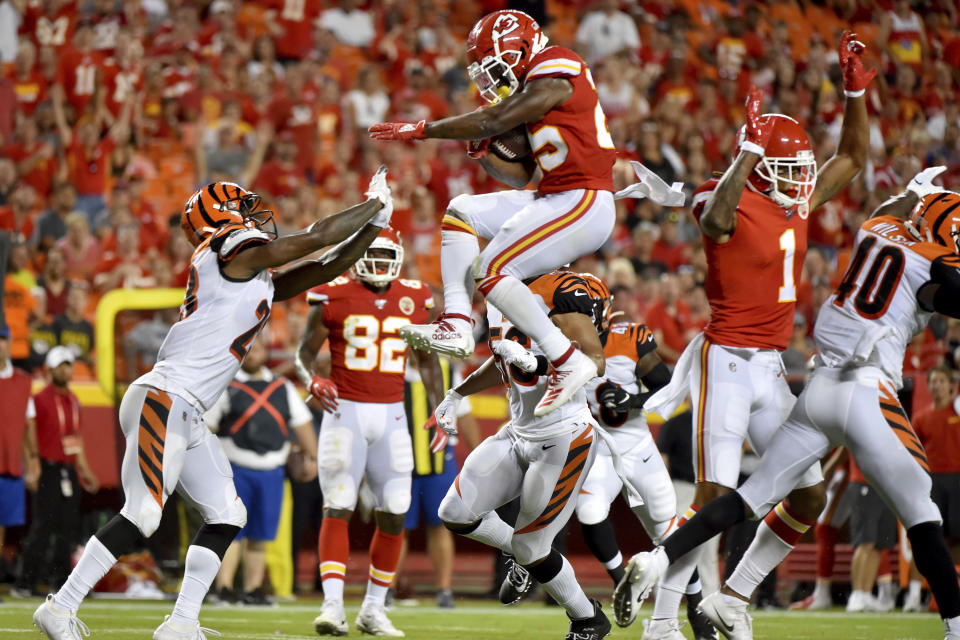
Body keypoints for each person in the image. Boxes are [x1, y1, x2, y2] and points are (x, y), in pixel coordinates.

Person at [33, 173, 394, 640]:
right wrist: (370, 205)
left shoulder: (249, 274)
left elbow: (323, 266)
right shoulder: (228, 248)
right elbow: (318, 237)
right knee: (144, 512)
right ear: (222, 219)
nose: (253, 215)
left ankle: (181, 623)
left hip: (186, 409)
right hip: (165, 397)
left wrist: (374, 227)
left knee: (228, 514)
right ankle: (59, 608)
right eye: (243, 208)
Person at [615, 172, 960, 640]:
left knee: (753, 495)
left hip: (819, 389)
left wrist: (914, 192)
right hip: (866, 392)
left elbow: (892, 211)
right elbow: (945, 285)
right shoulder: (937, 264)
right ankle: (957, 627)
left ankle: (690, 576)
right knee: (922, 511)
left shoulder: (877, 228)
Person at [613, 30, 873, 639]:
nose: (796, 180)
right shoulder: (726, 192)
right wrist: (749, 156)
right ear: (754, 165)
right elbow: (717, 216)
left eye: (797, 169)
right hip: (725, 360)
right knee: (712, 497)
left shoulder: (793, 199)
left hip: (771, 366)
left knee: (808, 495)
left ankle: (735, 595)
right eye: (782, 169)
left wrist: (855, 92)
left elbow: (854, 160)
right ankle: (661, 625)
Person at [370, 9, 618, 418]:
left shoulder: (556, 64)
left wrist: (423, 130)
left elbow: (493, 117)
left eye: (493, 66)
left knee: (493, 269)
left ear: (518, 48)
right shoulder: (533, 89)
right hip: (557, 194)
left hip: (584, 199)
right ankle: (456, 322)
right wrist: (483, 149)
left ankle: (567, 358)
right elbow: (520, 175)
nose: (492, 78)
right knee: (461, 211)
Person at [434, 271, 611, 640]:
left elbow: (594, 361)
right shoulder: (499, 291)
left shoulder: (564, 289)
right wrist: (457, 393)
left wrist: (538, 365)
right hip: (519, 431)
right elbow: (504, 363)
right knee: (455, 512)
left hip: (564, 436)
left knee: (533, 547)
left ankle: (587, 618)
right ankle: (520, 553)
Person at [296, 227, 444, 637]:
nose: (378, 264)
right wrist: (312, 379)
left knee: (396, 509)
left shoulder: (416, 297)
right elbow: (304, 352)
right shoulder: (334, 293)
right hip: (345, 412)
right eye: (371, 255)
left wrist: (440, 406)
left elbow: (427, 361)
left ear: (397, 257)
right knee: (338, 502)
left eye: (385, 256)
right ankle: (332, 606)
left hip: (393, 414)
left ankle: (374, 609)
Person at [574, 276, 717, 640]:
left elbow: (666, 387)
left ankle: (697, 610)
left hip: (637, 445)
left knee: (667, 531)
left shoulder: (631, 337)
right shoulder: (562, 345)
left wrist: (632, 401)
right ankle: (625, 585)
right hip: (598, 447)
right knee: (589, 512)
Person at [205, 332, 318, 605]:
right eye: (249, 350)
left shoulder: (283, 387)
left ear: (267, 352)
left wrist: (313, 458)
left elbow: (302, 424)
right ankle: (224, 588)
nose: (253, 354)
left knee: (261, 533)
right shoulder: (226, 385)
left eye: (258, 349)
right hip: (234, 469)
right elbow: (207, 427)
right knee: (231, 531)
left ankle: (254, 589)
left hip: (272, 471)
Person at [396, 358, 481, 609]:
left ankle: (444, 589)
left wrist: (479, 460)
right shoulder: (393, 369)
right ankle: (386, 588)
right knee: (396, 526)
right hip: (400, 459)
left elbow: (464, 415)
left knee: (441, 525)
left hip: (439, 459)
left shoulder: (446, 371)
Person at [14, 346, 99, 597]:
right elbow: (27, 435)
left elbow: (76, 439)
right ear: (50, 370)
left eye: (69, 365)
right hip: (47, 468)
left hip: (67, 470)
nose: (66, 370)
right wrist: (32, 466)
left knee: (67, 528)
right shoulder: (39, 400)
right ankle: (24, 582)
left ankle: (60, 583)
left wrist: (84, 469)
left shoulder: (73, 400)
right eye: (61, 365)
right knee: (43, 526)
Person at [912, 365, 960, 611]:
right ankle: (919, 594)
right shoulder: (920, 418)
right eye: (933, 381)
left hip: (957, 480)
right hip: (931, 481)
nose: (937, 386)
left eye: (942, 381)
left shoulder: (958, 411)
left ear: (951, 384)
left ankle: (955, 589)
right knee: (928, 536)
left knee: (957, 538)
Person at [0, 324, 38, 587]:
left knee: (4, 524)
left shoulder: (23, 382)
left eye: (2, 339)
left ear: (10, 343)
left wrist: (32, 460)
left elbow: (29, 424)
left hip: (11, 462)